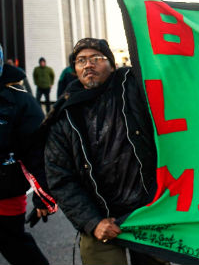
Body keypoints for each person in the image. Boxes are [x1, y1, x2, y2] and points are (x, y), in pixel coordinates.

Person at [43, 38, 166, 265]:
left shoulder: (132, 89)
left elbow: (165, 73)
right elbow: (60, 176)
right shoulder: (64, 115)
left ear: (112, 64)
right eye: (81, 61)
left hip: (146, 213)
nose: (88, 65)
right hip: (99, 217)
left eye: (95, 58)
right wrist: (92, 222)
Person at [0, 44, 53, 265]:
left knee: (14, 245)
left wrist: (44, 194)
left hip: (6, 192)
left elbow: (38, 150)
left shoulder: (19, 100)